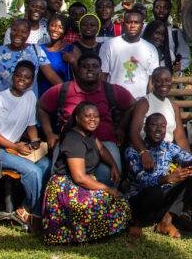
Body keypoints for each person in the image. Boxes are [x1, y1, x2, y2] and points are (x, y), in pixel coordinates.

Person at [37, 53, 136, 185]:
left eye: (95, 66)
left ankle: (102, 204)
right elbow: (42, 107)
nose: (90, 69)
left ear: (101, 71)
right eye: (85, 66)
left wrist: (121, 128)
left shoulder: (111, 90)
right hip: (70, 142)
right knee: (62, 180)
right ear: (78, 70)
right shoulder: (63, 90)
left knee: (108, 177)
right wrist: (49, 133)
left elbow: (132, 105)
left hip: (105, 141)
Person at [43, 101, 130, 244]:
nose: (93, 119)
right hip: (67, 188)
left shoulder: (89, 135)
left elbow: (102, 149)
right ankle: (81, 234)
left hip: (82, 183)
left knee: (120, 201)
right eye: (88, 116)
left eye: (96, 116)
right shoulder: (73, 139)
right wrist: (107, 188)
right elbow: (79, 177)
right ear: (77, 118)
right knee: (110, 200)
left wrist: (113, 165)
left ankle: (97, 231)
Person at [0, 61, 50, 226]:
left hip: (13, 148)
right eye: (19, 75)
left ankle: (26, 208)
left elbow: (31, 125)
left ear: (32, 81)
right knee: (32, 172)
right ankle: (37, 216)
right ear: (13, 77)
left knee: (46, 165)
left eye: (27, 77)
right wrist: (15, 146)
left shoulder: (31, 96)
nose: (22, 79)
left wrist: (34, 141)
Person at [125, 112, 192, 238]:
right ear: (145, 128)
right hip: (141, 201)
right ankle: (136, 222)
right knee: (154, 191)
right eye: (153, 125)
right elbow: (143, 181)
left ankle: (166, 221)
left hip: (162, 198)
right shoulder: (133, 150)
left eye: (162, 126)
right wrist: (168, 178)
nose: (158, 129)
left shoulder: (168, 146)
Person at [0, 18, 60, 99]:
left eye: (23, 32)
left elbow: (51, 75)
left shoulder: (36, 50)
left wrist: (68, 90)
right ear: (10, 31)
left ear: (29, 33)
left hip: (27, 104)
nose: (18, 34)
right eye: (15, 30)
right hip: (1, 104)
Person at [128, 66, 192, 160]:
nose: (164, 84)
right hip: (148, 149)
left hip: (169, 149)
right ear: (153, 83)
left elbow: (180, 137)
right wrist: (143, 152)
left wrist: (189, 157)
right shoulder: (144, 102)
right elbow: (134, 132)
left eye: (167, 80)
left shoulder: (173, 106)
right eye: (159, 81)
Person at [99, 10, 159, 98]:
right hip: (115, 100)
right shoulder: (109, 45)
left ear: (142, 26)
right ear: (123, 25)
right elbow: (103, 76)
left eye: (136, 23)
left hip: (140, 101)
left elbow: (152, 79)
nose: (132, 26)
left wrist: (149, 101)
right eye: (129, 22)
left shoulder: (150, 49)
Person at [149, 0, 191, 72]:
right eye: (158, 7)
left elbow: (185, 57)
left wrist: (179, 67)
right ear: (153, 9)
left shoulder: (175, 33)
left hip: (169, 79)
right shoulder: (145, 29)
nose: (161, 10)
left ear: (169, 11)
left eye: (165, 7)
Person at [39, 14, 76, 95]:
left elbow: (81, 73)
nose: (56, 29)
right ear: (48, 27)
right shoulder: (39, 49)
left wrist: (73, 61)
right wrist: (69, 93)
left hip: (63, 98)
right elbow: (50, 74)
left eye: (60, 27)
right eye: (53, 25)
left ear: (65, 31)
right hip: (44, 95)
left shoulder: (72, 49)